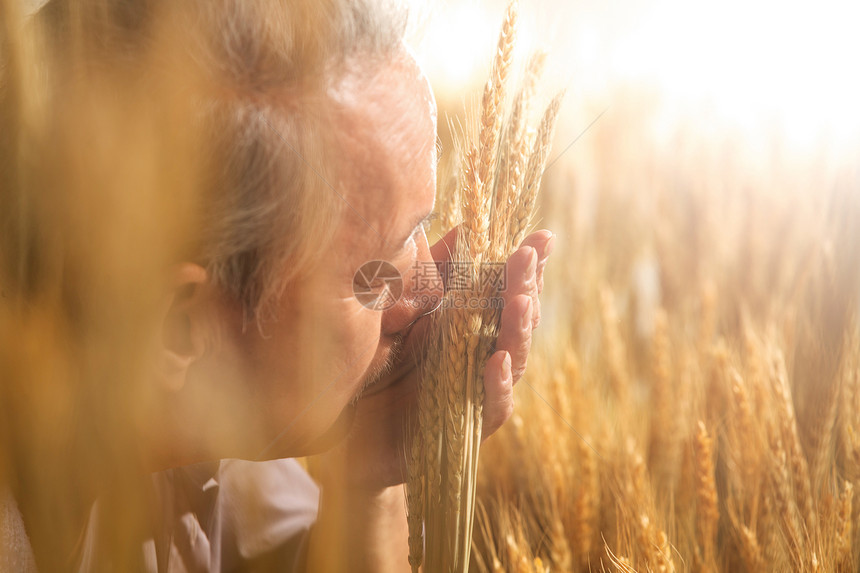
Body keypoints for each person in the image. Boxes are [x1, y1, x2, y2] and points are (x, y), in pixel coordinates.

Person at [1, 0, 554, 570]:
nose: (430, 292)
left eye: (421, 230)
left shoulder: (209, 444)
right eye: (373, 277)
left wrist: (364, 483)